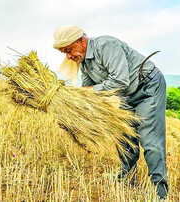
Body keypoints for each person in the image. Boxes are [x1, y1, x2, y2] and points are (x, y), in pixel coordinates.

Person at [53, 25, 168, 199]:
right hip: (126, 94)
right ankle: (126, 177)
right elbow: (88, 94)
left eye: (69, 50)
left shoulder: (106, 46)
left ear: (81, 41)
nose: (69, 56)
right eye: (64, 53)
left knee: (150, 139)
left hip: (147, 87)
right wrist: (71, 114)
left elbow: (120, 81)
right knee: (124, 136)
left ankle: (160, 191)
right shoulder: (84, 63)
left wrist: (88, 92)